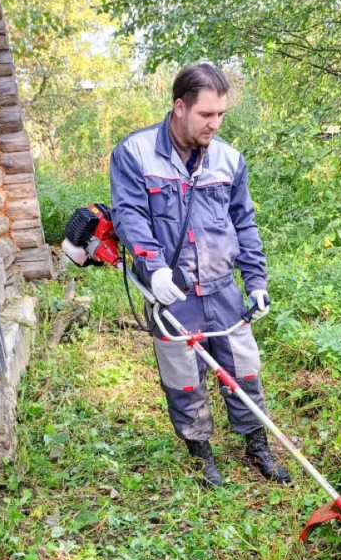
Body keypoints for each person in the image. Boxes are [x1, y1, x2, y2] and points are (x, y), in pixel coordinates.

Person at [110, 63, 290, 487]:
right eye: (206, 114)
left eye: (221, 114)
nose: (215, 123)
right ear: (179, 107)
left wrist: (257, 281)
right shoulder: (135, 153)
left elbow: (244, 223)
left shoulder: (229, 160)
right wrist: (152, 270)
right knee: (184, 379)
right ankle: (200, 450)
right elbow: (130, 215)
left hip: (223, 289)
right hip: (171, 293)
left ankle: (256, 442)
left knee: (244, 369)